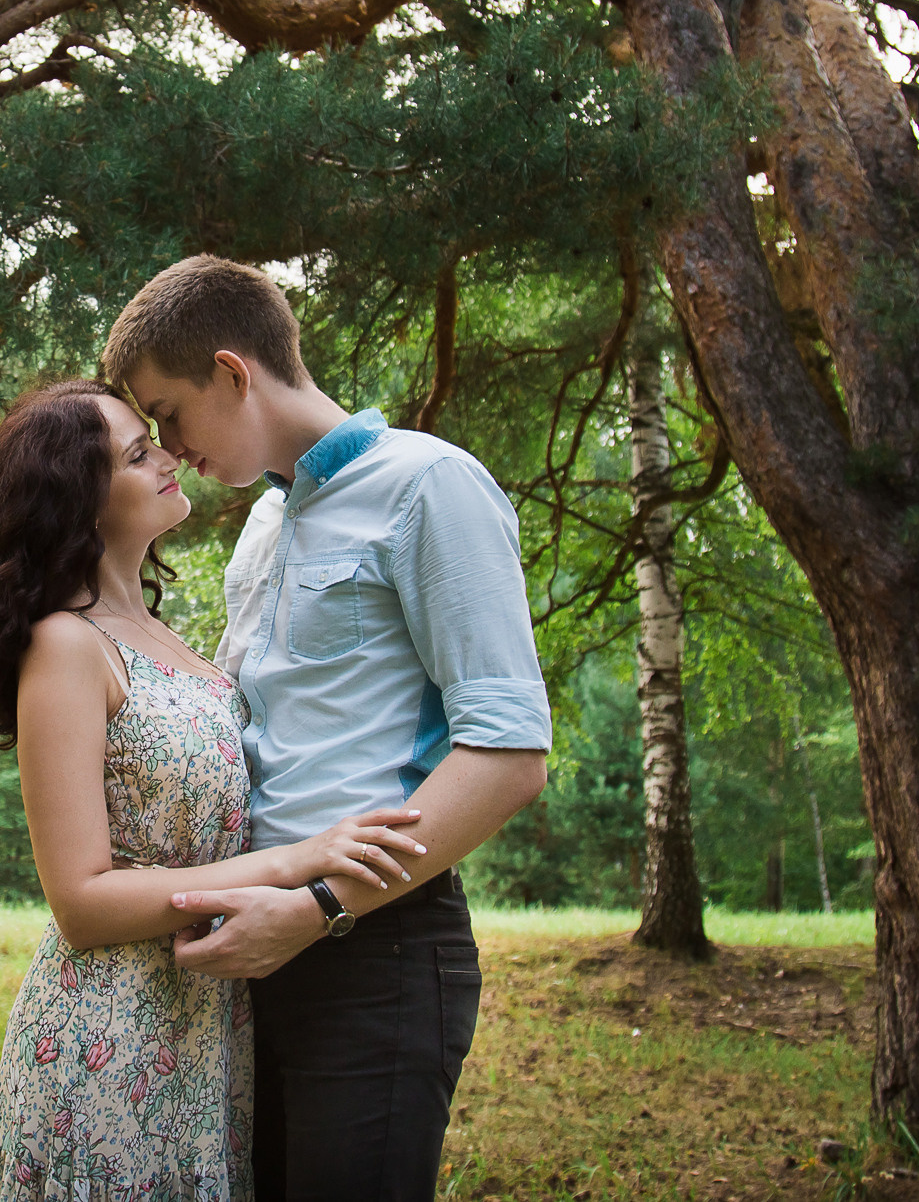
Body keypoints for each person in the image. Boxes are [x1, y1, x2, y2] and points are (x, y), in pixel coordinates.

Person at [101, 257, 553, 1202]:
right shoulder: (264, 525)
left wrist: (319, 909)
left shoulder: (430, 485)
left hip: (375, 950)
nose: (170, 449)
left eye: (170, 413)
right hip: (252, 949)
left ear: (233, 371)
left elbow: (508, 754)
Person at [0, 378, 430, 1202]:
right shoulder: (65, 645)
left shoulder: (168, 641)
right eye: (137, 453)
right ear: (79, 501)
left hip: (204, 1030)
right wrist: (293, 862)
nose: (170, 456)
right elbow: (82, 901)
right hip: (109, 1035)